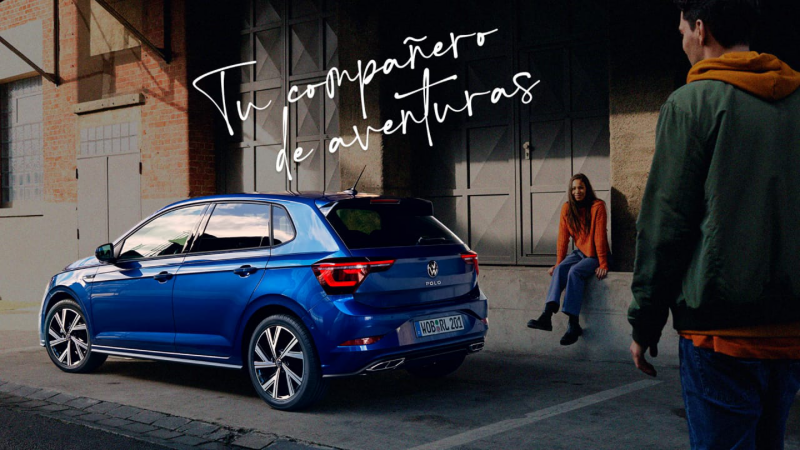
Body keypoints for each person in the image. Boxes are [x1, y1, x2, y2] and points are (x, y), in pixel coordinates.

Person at [628, 0, 800, 448]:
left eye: (682, 29)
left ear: (700, 29)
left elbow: (666, 225)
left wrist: (644, 325)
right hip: (790, 333)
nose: (682, 39)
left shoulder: (691, 104)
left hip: (719, 335)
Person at [527, 173, 609, 346]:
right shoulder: (567, 209)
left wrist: (603, 263)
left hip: (595, 255)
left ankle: (573, 325)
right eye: (573, 188)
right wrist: (558, 263)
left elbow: (600, 237)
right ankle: (547, 315)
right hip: (580, 252)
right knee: (561, 269)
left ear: (587, 188)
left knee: (575, 272)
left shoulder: (598, 206)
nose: (577, 191)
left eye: (580, 187)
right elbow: (563, 239)